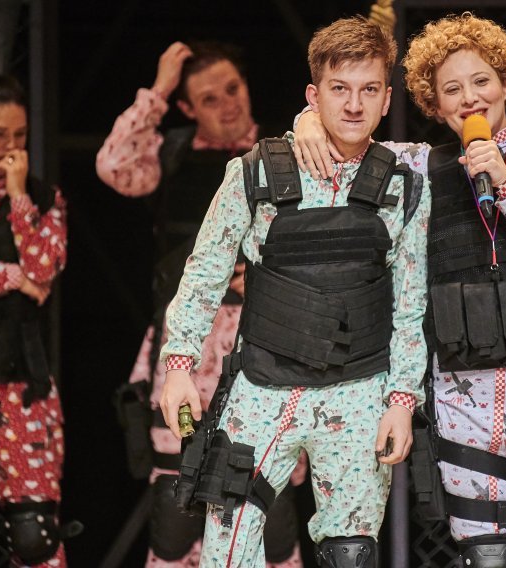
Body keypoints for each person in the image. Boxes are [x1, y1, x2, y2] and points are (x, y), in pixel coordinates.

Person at [294, 12, 506, 568]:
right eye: (452, 89)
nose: (470, 97)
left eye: (481, 81)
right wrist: (308, 121)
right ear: (434, 102)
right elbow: (344, 150)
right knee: (488, 553)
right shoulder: (419, 168)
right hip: (468, 385)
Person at [158, 15, 430, 568]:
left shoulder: (405, 184)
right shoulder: (254, 172)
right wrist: (179, 367)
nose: (353, 104)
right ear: (313, 95)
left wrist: (402, 402)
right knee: (228, 549)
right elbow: (204, 273)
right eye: (339, 89)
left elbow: (410, 306)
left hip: (358, 392)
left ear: (386, 99)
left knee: (351, 553)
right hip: (263, 387)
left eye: (369, 90)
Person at [96, 41, 303, 568]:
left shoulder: (289, 153)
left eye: (233, 89)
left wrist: (272, 274)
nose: (228, 105)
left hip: (267, 339)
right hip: (191, 343)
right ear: (188, 108)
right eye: (209, 99)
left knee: (269, 503)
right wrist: (159, 90)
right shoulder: (173, 154)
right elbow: (114, 166)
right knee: (176, 506)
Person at [0, 62, 71, 567]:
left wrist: (17, 199)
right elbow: (27, 277)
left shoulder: (42, 198)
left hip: (24, 387)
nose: (11, 148)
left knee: (36, 534)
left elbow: (44, 269)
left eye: (20, 136)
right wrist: (10, 277)